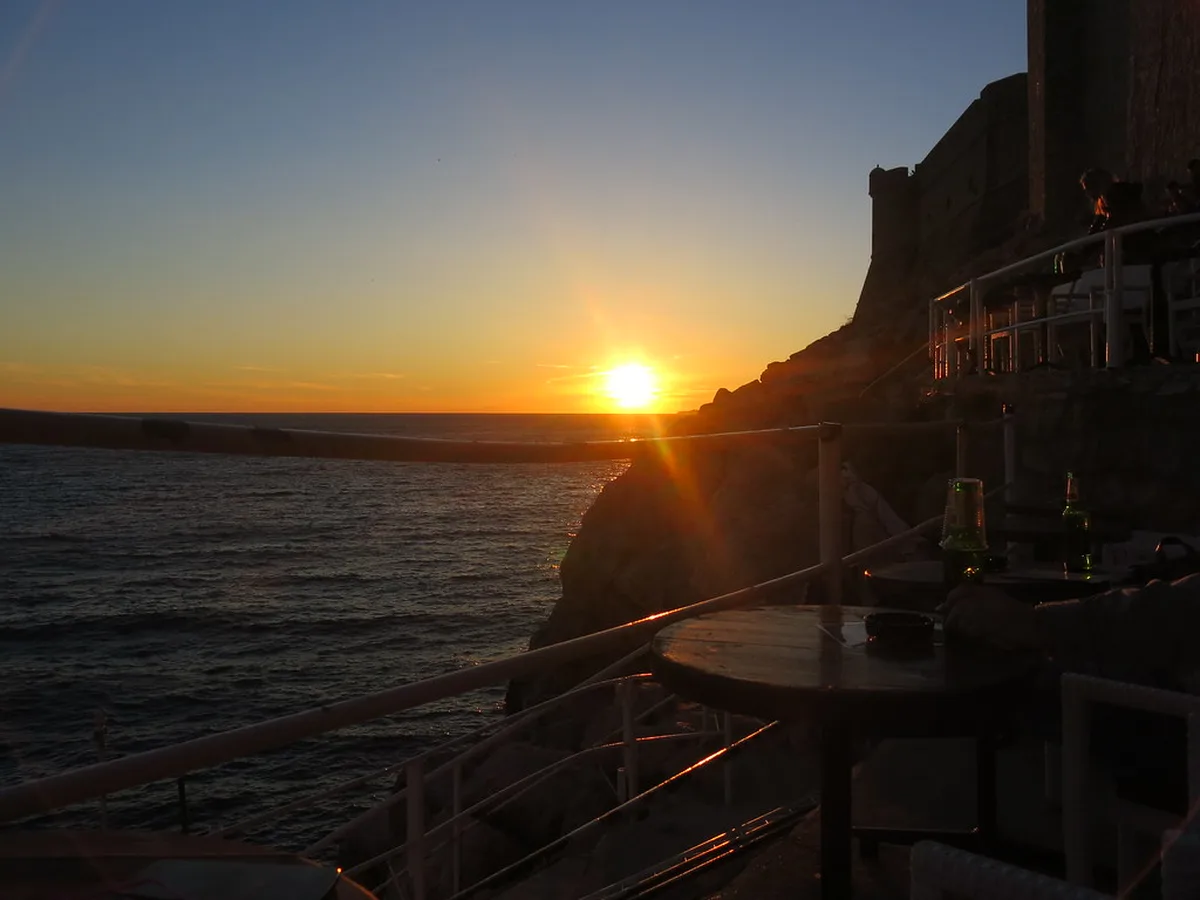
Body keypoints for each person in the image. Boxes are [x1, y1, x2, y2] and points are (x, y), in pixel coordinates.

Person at [1080, 167, 1146, 235]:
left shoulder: (1116, 194)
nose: (1087, 194)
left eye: (1087, 188)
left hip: (1136, 233)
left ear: (1095, 185)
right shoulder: (1103, 201)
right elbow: (1100, 221)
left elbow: (1118, 219)